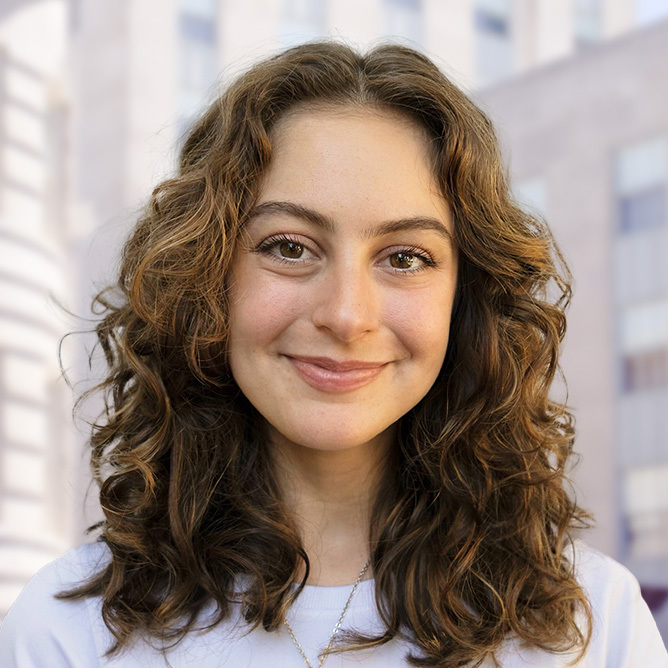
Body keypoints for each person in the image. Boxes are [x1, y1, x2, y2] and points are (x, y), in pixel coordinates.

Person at [0, 39, 666, 668]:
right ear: (207, 277)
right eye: (289, 246)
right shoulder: (70, 636)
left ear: (467, 300)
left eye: (405, 257)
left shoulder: (591, 627)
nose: (347, 315)